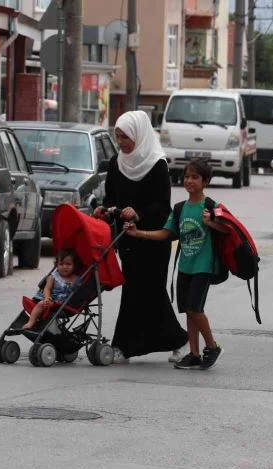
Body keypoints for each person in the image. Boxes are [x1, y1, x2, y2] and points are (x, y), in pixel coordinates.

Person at [92, 110, 188, 363]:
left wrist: (139, 212)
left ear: (139, 135)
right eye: (118, 136)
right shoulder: (116, 163)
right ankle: (126, 345)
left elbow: (162, 205)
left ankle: (179, 340)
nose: (121, 142)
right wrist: (106, 210)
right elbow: (111, 197)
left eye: (126, 137)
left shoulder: (157, 164)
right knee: (133, 289)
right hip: (127, 238)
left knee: (152, 290)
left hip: (153, 238)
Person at [123, 159, 225, 370]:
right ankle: (195, 354)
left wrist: (212, 223)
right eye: (187, 176)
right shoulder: (179, 209)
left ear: (205, 181)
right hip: (185, 267)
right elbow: (166, 233)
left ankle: (212, 346)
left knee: (195, 308)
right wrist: (137, 233)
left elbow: (228, 230)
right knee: (189, 310)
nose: (189, 181)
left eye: (195, 177)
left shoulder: (211, 206)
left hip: (203, 267)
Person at [22, 249, 81, 330]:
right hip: (51, 298)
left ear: (74, 265)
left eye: (68, 264)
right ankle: (31, 322)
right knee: (40, 304)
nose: (64, 267)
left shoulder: (76, 279)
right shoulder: (54, 276)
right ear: (56, 265)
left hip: (63, 303)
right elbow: (47, 289)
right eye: (61, 264)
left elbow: (78, 292)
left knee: (49, 304)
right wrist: (47, 298)